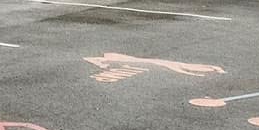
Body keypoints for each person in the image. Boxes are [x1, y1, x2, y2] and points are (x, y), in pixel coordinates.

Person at [83, 52, 225, 76]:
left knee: (178, 66)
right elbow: (99, 60)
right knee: (180, 66)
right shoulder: (112, 57)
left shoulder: (112, 57)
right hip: (153, 62)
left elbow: (102, 60)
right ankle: (214, 69)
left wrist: (103, 65)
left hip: (153, 62)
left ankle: (214, 68)